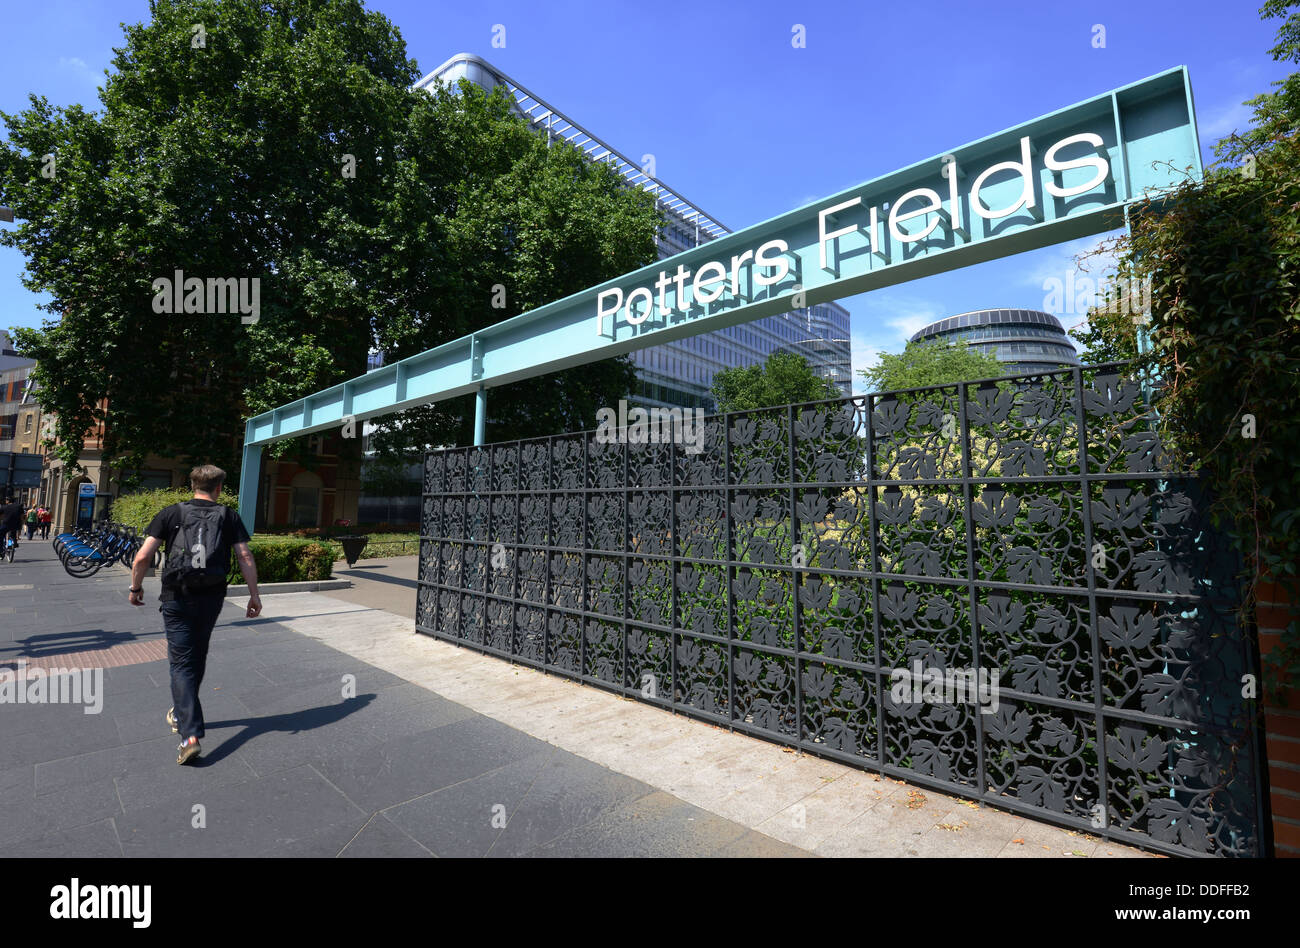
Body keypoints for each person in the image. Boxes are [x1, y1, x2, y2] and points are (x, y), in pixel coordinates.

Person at [129, 464, 262, 765]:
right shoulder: (229, 516)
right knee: (196, 656)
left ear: (192, 486)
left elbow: (142, 556)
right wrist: (254, 595)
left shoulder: (171, 513)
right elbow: (244, 555)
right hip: (212, 596)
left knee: (181, 663)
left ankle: (189, 735)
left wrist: (135, 588)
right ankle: (181, 713)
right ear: (219, 488)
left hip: (177, 596)